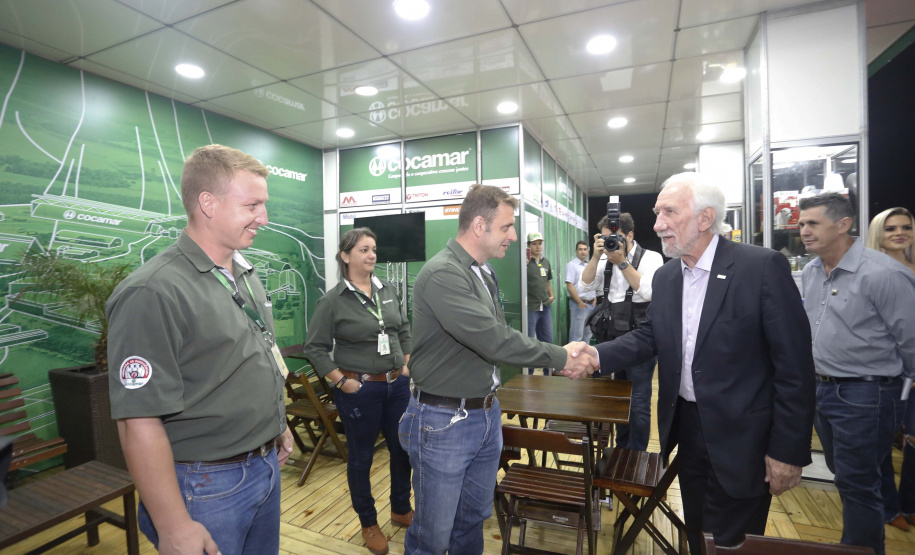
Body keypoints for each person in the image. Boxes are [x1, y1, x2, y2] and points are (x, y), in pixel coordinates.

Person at [594, 172, 815, 554]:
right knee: (697, 533)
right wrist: (595, 355)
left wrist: (787, 451)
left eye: (668, 212)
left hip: (744, 441)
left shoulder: (761, 267)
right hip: (687, 431)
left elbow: (794, 367)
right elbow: (650, 336)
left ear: (705, 218)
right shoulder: (666, 277)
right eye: (657, 212)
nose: (657, 224)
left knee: (731, 544)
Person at [107, 144, 294, 555]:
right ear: (208, 203)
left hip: (263, 467)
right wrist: (173, 525)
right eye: (252, 205)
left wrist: (274, 423)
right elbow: (137, 422)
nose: (263, 217)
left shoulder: (243, 272)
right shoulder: (152, 292)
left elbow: (250, 358)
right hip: (205, 486)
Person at [400, 184, 598, 555]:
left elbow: (498, 335)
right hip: (444, 421)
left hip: (485, 414)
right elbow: (492, 339)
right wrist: (561, 357)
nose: (513, 236)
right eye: (507, 227)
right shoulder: (443, 273)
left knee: (472, 521)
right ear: (479, 225)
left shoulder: (482, 272)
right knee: (433, 535)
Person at [798, 193, 915, 555]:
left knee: (858, 483)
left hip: (867, 394)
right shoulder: (812, 270)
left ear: (843, 224)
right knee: (847, 474)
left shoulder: (884, 274)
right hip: (822, 389)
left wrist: (905, 404)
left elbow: (911, 342)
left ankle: (860, 549)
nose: (803, 231)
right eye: (801, 224)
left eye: (812, 223)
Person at [303, 228, 413, 555]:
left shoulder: (388, 289)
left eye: (374, 249)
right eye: (364, 249)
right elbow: (316, 348)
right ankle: (368, 521)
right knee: (362, 458)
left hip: (397, 386)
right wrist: (342, 381)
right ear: (346, 256)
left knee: (402, 450)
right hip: (360, 390)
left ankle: (400, 507)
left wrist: (405, 364)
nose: (372, 255)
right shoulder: (333, 300)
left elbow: (403, 328)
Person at [578, 212, 663, 451]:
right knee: (618, 399)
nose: (609, 244)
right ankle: (621, 449)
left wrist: (622, 262)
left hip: (641, 339)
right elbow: (584, 288)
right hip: (613, 337)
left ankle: (636, 456)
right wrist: (595, 257)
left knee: (638, 402)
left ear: (630, 236)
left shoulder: (651, 258)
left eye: (614, 238)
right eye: (604, 239)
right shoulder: (604, 259)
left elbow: (648, 292)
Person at [867, 207, 915, 533]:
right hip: (885, 370)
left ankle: (909, 504)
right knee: (881, 445)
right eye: (890, 228)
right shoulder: (872, 272)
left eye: (906, 226)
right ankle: (889, 507)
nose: (899, 233)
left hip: (910, 366)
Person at [526, 231, 554, 374]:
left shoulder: (546, 261)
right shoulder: (525, 263)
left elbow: (547, 281)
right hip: (531, 307)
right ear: (528, 245)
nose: (537, 247)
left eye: (539, 244)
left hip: (546, 306)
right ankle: (529, 373)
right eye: (534, 244)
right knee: (530, 342)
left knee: (548, 340)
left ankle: (547, 372)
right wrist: (524, 263)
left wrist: (552, 295)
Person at [564, 240, 596, 343]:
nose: (583, 252)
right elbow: (570, 285)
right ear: (576, 251)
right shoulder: (572, 265)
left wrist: (594, 298)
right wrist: (580, 302)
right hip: (579, 305)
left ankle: (584, 359)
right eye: (580, 249)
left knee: (587, 337)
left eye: (585, 249)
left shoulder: (588, 265)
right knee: (576, 337)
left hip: (591, 305)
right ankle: (572, 359)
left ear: (588, 251)